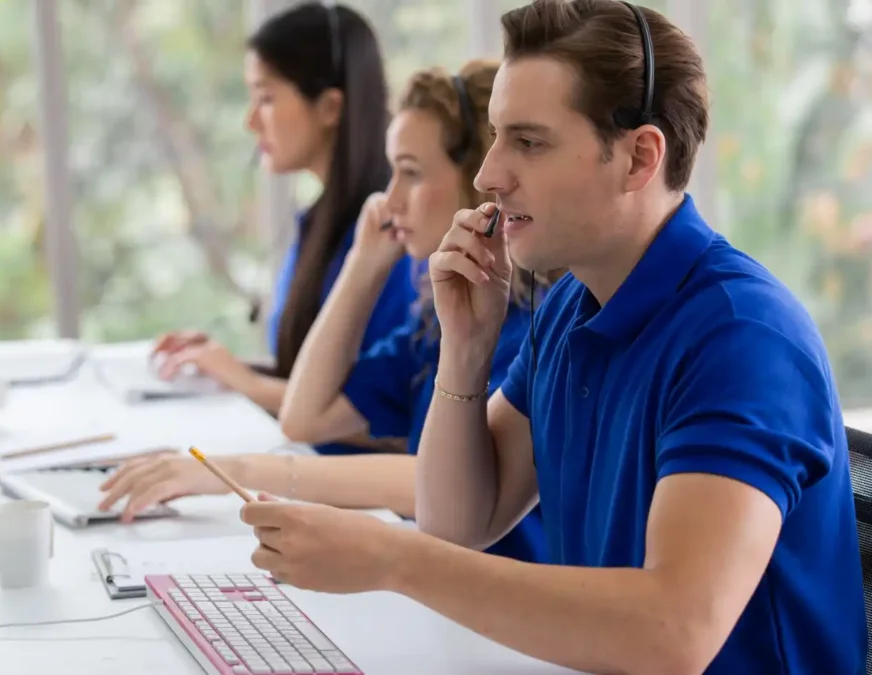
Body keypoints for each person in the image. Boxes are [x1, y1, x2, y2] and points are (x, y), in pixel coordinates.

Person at [236, 2, 869, 674]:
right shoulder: (571, 306)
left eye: (528, 142)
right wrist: (467, 344)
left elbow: (672, 630)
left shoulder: (743, 339)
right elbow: (460, 521)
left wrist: (391, 558)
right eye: (495, 136)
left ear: (638, 157)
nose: (488, 174)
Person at [100, 61, 557, 561]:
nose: (389, 201)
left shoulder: (534, 328)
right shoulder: (438, 321)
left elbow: (437, 481)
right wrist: (363, 266)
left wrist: (235, 472)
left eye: (410, 173)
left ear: (480, 184)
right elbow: (306, 418)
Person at [148, 2, 414, 439]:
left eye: (267, 98)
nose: (251, 121)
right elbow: (309, 373)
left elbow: (380, 416)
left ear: (330, 107)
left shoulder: (391, 240)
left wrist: (245, 381)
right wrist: (226, 363)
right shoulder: (319, 223)